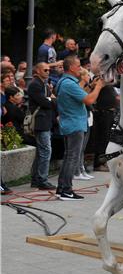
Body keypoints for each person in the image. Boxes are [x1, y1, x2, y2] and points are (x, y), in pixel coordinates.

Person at [55, 56, 105, 200]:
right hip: (74, 124)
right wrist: (99, 87)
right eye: (78, 66)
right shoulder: (69, 84)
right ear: (71, 67)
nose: (81, 69)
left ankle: (62, 188)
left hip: (69, 123)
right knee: (72, 157)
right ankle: (66, 190)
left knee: (69, 156)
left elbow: (81, 95)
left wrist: (91, 86)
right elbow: (89, 100)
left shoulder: (65, 82)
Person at [27, 62, 57, 190]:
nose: (48, 71)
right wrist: (52, 99)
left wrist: (50, 98)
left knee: (41, 152)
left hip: (45, 121)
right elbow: (44, 102)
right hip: (41, 122)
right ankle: (42, 180)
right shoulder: (35, 84)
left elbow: (49, 100)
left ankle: (36, 179)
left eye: (49, 69)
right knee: (45, 151)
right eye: (45, 70)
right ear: (37, 71)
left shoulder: (43, 84)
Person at [73, 68, 95, 181]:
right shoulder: (77, 87)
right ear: (82, 77)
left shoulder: (83, 87)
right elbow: (85, 98)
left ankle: (81, 169)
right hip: (82, 118)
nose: (89, 77)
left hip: (87, 117)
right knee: (79, 147)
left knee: (83, 147)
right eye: (87, 75)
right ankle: (77, 171)